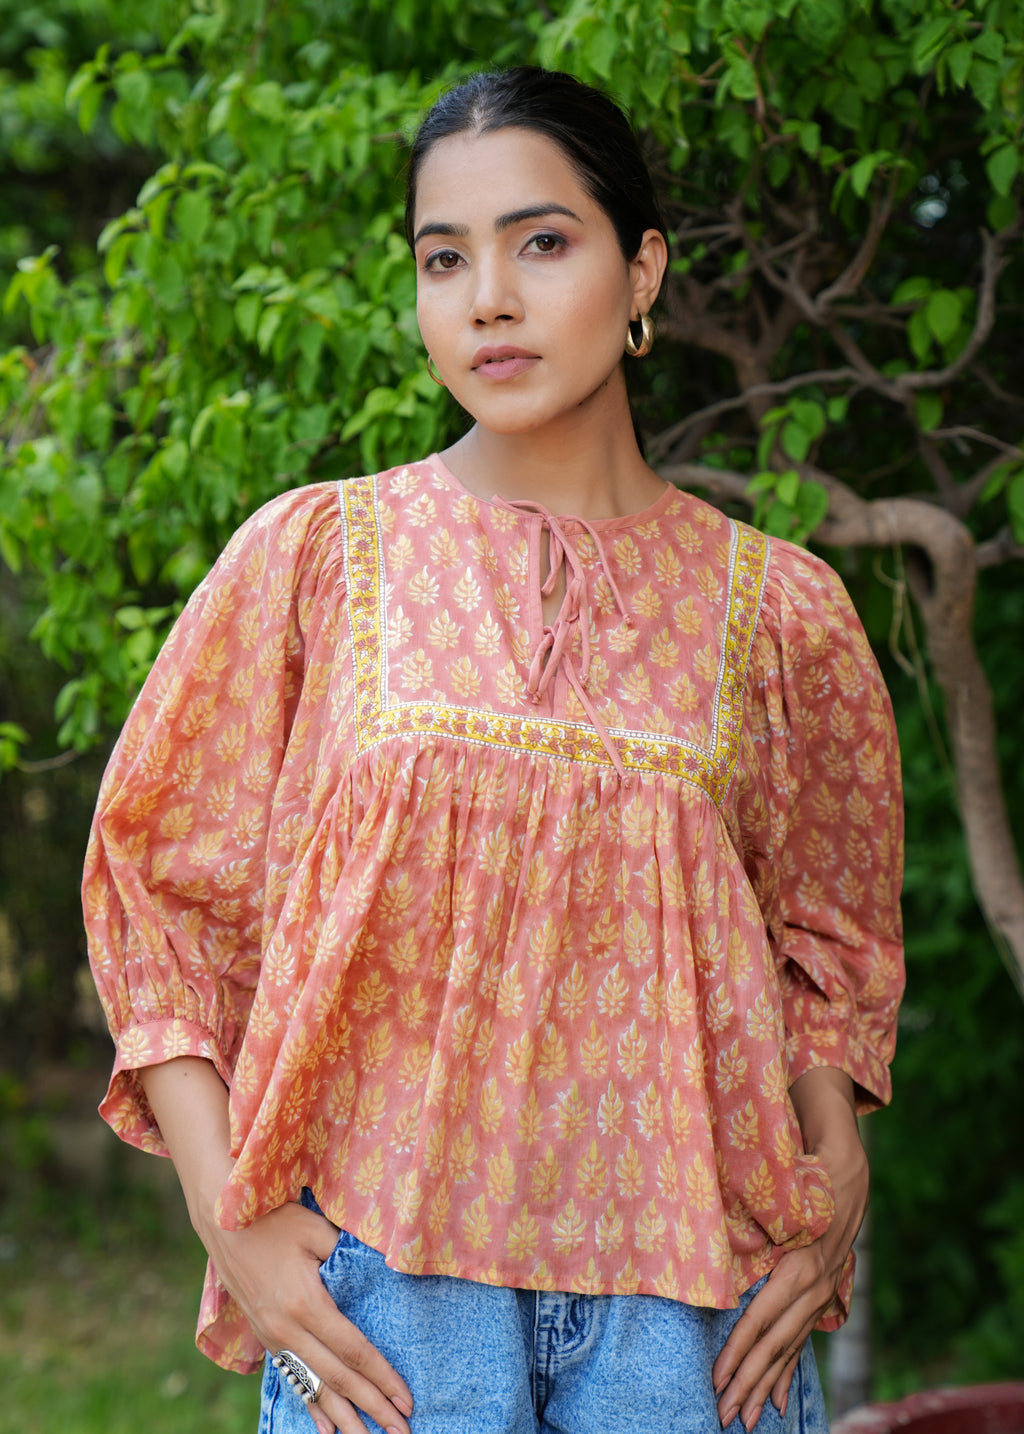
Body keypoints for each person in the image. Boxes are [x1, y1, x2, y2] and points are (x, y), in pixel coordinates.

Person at [84, 65, 904, 1434]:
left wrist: (835, 1171)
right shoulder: (315, 562)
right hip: (391, 1310)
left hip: (691, 1313)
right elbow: (155, 893)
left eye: (543, 242)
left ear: (642, 271)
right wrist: (227, 1212)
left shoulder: (782, 615)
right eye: (443, 257)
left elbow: (827, 935)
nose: (490, 300)